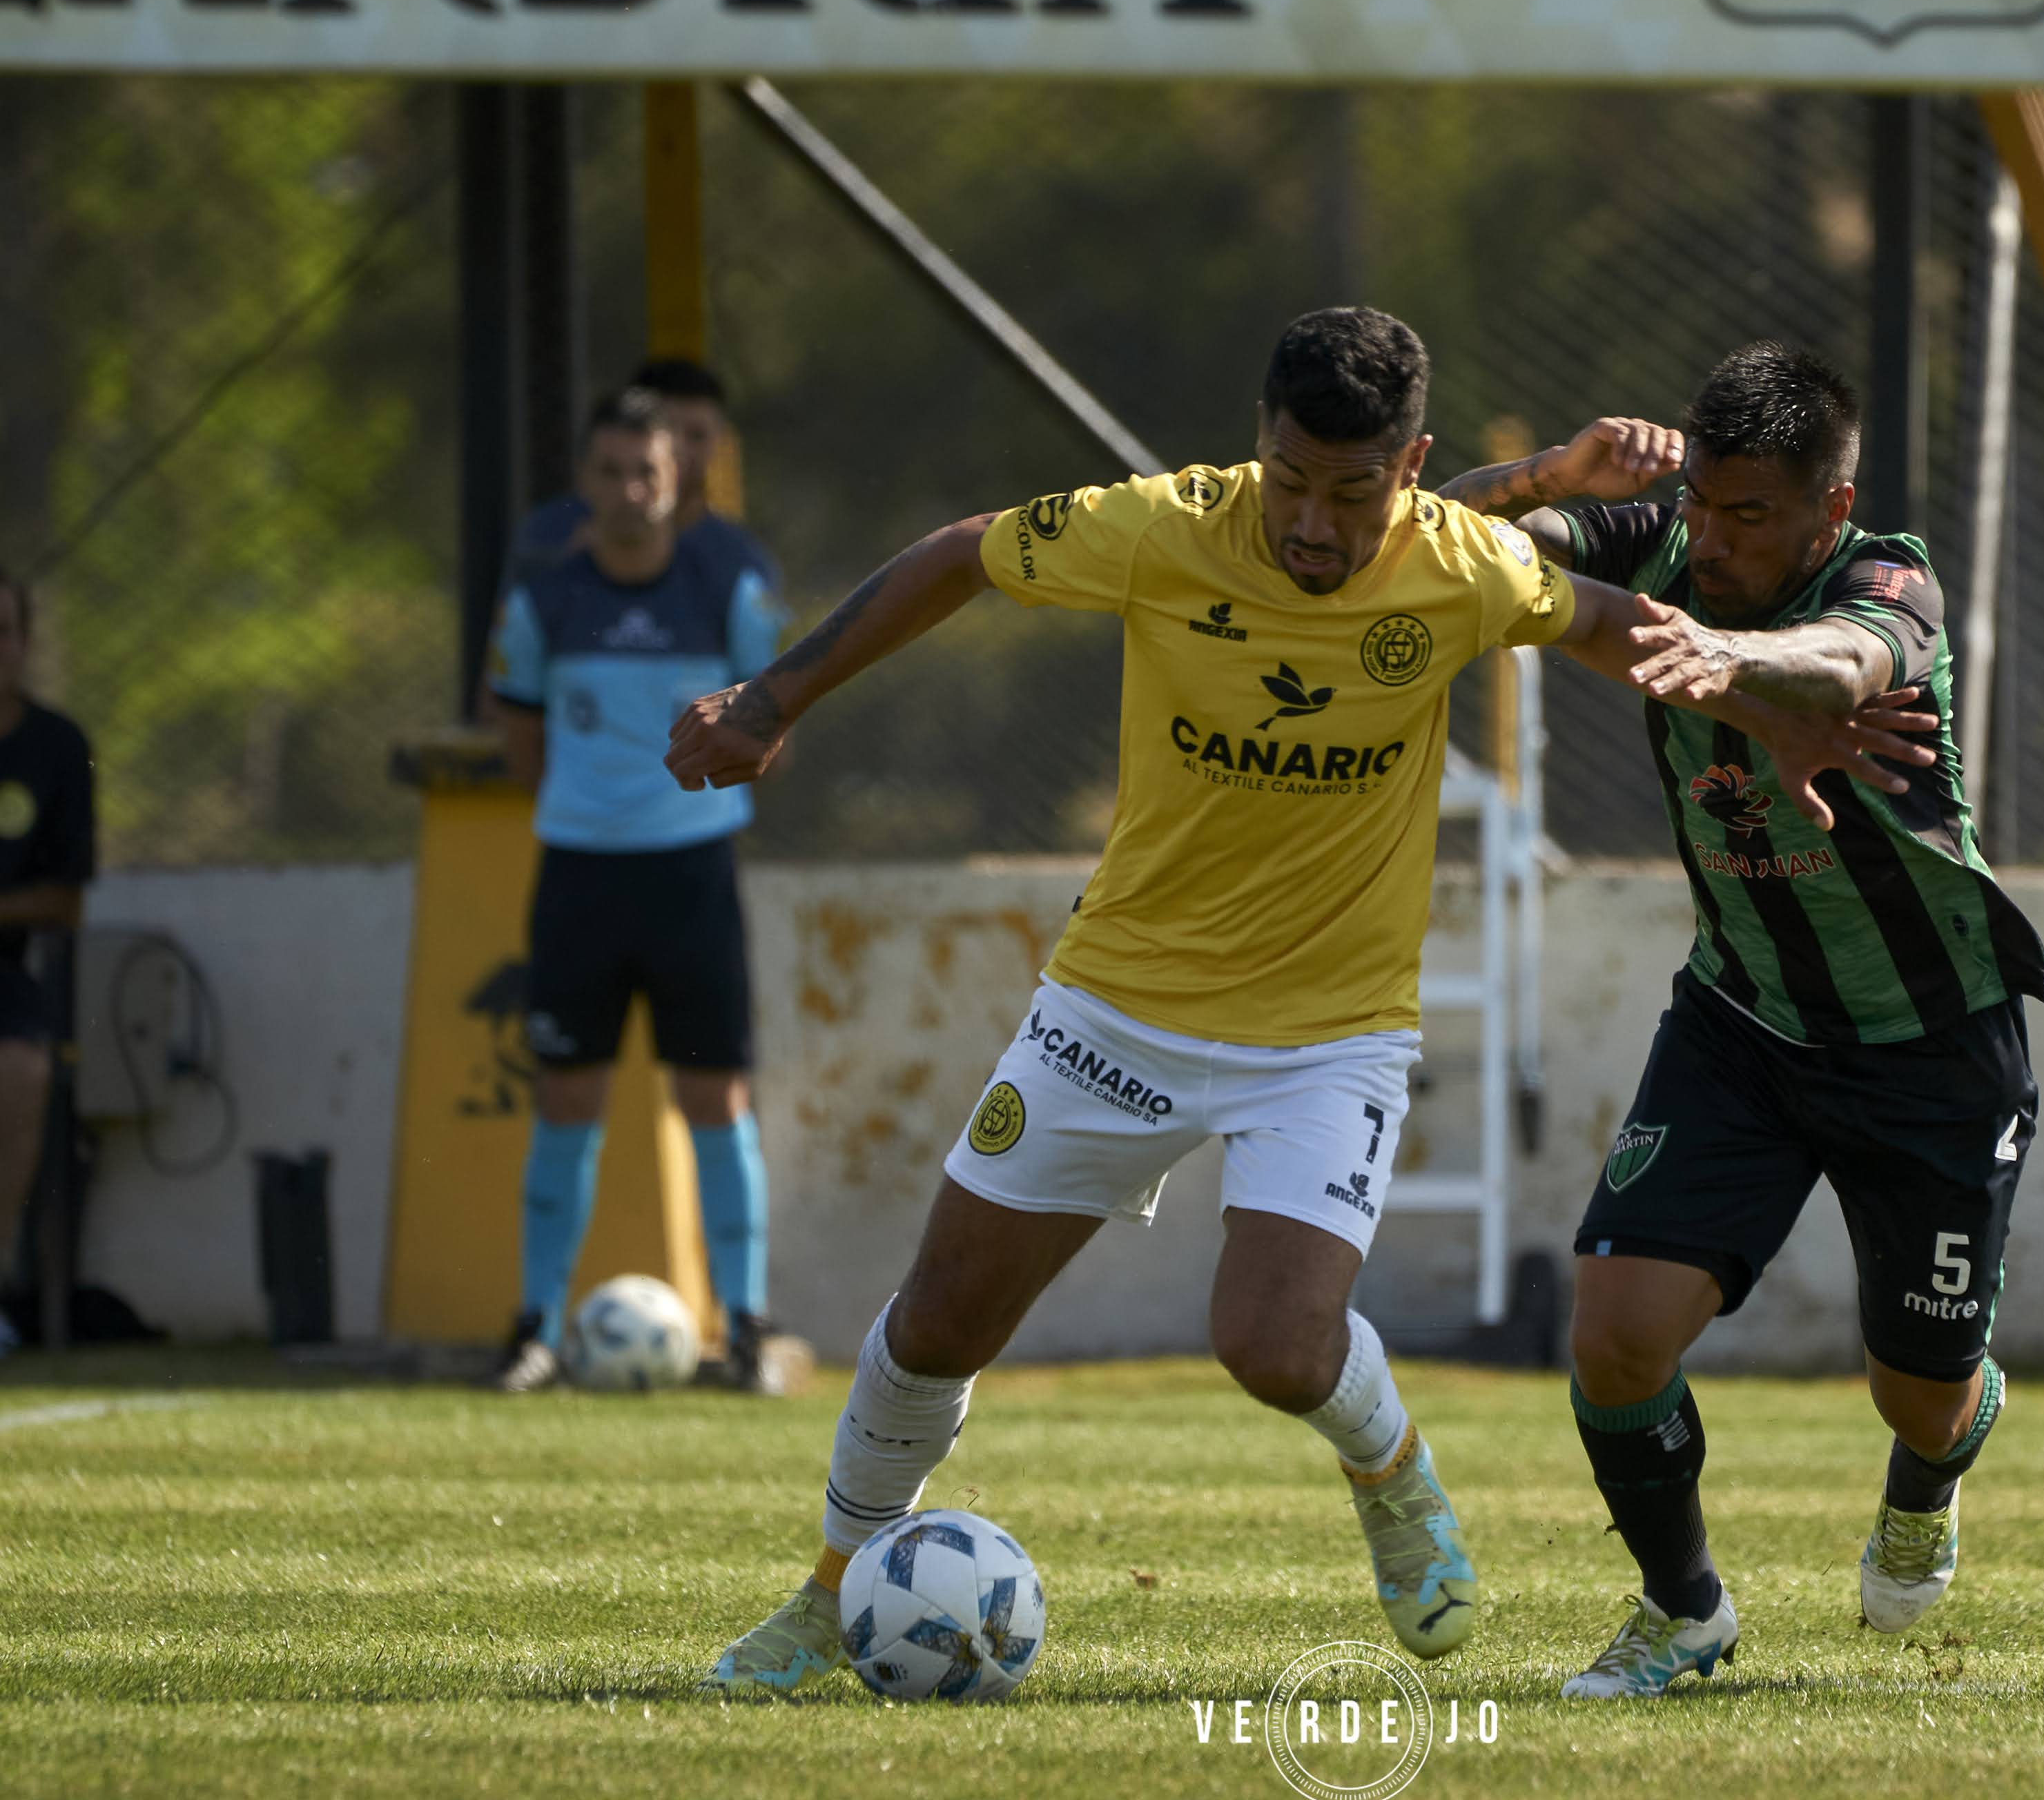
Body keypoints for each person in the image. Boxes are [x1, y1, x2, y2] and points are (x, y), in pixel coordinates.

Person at [661, 309, 1934, 1697]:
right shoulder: (1162, 528)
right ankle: (830, 1588)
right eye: (1289, 482)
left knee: (1271, 1345)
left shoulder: (1457, 563)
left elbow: (1618, 626)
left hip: (1324, 1038)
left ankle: (1390, 1472)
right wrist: (777, 694)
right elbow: (965, 550)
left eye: (1351, 491)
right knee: (938, 1321)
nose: (1314, 527)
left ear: (1411, 466)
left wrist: (1776, 704)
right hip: (1112, 1007)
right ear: (1256, 446)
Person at [1439, 342, 2044, 1697]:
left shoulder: (1886, 582)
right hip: (1741, 1023)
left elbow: (1841, 666)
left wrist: (1736, 665)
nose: (1708, 540)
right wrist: (1550, 474)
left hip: (1930, 1047)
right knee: (1611, 1333)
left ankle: (1931, 1462)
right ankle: (1682, 1607)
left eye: (1748, 516)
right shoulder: (1660, 536)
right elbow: (1437, 546)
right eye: (1701, 506)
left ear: (1826, 511)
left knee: (1919, 1389)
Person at [485, 389, 800, 1395]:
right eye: (611, 473)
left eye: (647, 475)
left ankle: (745, 1325)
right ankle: (534, 1328)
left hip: (692, 877)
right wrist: (596, 810)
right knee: (567, 1098)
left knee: (714, 1097)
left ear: (677, 484)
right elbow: (521, 738)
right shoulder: (543, 600)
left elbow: (776, 731)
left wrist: (681, 804)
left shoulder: (730, 587)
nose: (629, 493)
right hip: (579, 876)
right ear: (584, 483)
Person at [0, 567, 95, 1358]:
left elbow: (65, 903)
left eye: (3, 631)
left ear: (25, 644)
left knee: (24, 1070)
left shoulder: (57, 748)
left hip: (5, 971)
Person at [501, 358, 753, 593]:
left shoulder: (741, 566)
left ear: (720, 442)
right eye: (664, 428)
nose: (681, 451)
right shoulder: (546, 537)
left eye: (697, 435)